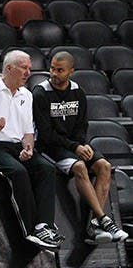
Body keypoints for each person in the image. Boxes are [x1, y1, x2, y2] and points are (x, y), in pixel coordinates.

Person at [0, 50, 63, 251]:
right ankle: (30, 230)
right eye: (24, 67)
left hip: (15, 147)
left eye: (30, 68)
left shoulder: (26, 95)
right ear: (9, 68)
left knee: (46, 168)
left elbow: (28, 132)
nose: (29, 72)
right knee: (18, 172)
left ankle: (44, 225)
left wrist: (28, 147)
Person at [32, 51, 128, 245]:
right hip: (50, 147)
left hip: (73, 144)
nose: (54, 73)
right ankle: (104, 220)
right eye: (52, 68)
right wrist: (75, 147)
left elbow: (82, 125)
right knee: (79, 167)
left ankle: (93, 224)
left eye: (60, 70)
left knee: (104, 166)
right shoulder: (40, 92)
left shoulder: (78, 92)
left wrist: (82, 144)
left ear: (71, 71)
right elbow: (46, 133)